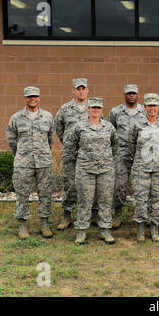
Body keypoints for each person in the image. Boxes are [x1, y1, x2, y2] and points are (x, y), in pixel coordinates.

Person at [64, 97, 119, 245]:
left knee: (105, 200)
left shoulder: (108, 127)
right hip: (85, 170)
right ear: (88, 108)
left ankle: (105, 230)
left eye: (98, 108)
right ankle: (81, 231)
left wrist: (106, 159)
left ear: (102, 109)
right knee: (85, 201)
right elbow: (70, 146)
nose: (96, 110)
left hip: (105, 170)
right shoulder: (79, 127)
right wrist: (82, 160)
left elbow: (115, 144)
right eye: (93, 107)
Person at [6, 86, 54, 239]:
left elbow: (50, 139)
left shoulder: (47, 117)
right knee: (22, 194)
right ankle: (22, 224)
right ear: (25, 98)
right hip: (23, 163)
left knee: (45, 193)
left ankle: (45, 223)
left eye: (35, 96)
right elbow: (12, 140)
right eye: (29, 97)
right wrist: (20, 154)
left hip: (44, 162)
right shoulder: (16, 118)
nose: (33, 99)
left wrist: (43, 152)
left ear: (39, 98)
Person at [55, 78, 99, 230]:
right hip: (71, 155)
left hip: (90, 154)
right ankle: (67, 214)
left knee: (92, 183)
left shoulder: (94, 107)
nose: (81, 91)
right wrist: (68, 144)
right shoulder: (65, 109)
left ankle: (94, 213)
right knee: (70, 184)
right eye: (78, 88)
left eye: (83, 88)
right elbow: (59, 128)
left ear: (87, 90)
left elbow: (100, 126)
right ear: (73, 90)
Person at [130, 93, 159, 242]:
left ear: (158, 107)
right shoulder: (137, 125)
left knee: (158, 199)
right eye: (149, 106)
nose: (152, 109)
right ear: (144, 107)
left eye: (154, 106)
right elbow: (131, 145)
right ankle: (140, 229)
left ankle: (154, 228)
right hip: (141, 168)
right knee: (140, 198)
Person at [108, 85, 146, 229]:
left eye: (134, 93)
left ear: (138, 95)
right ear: (124, 95)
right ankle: (118, 214)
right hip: (121, 154)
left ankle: (144, 215)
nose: (131, 96)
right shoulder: (116, 112)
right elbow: (110, 131)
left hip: (140, 154)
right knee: (119, 185)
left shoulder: (144, 111)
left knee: (142, 186)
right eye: (129, 93)